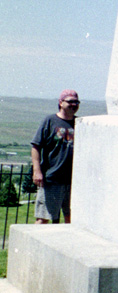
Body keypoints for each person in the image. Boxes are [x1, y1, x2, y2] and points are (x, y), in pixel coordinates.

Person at [31, 91, 79, 224]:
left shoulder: (80, 123)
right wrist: (37, 170)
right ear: (60, 102)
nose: (74, 105)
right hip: (52, 179)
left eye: (76, 102)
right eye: (70, 101)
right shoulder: (50, 121)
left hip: (74, 181)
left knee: (72, 219)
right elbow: (36, 146)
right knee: (43, 218)